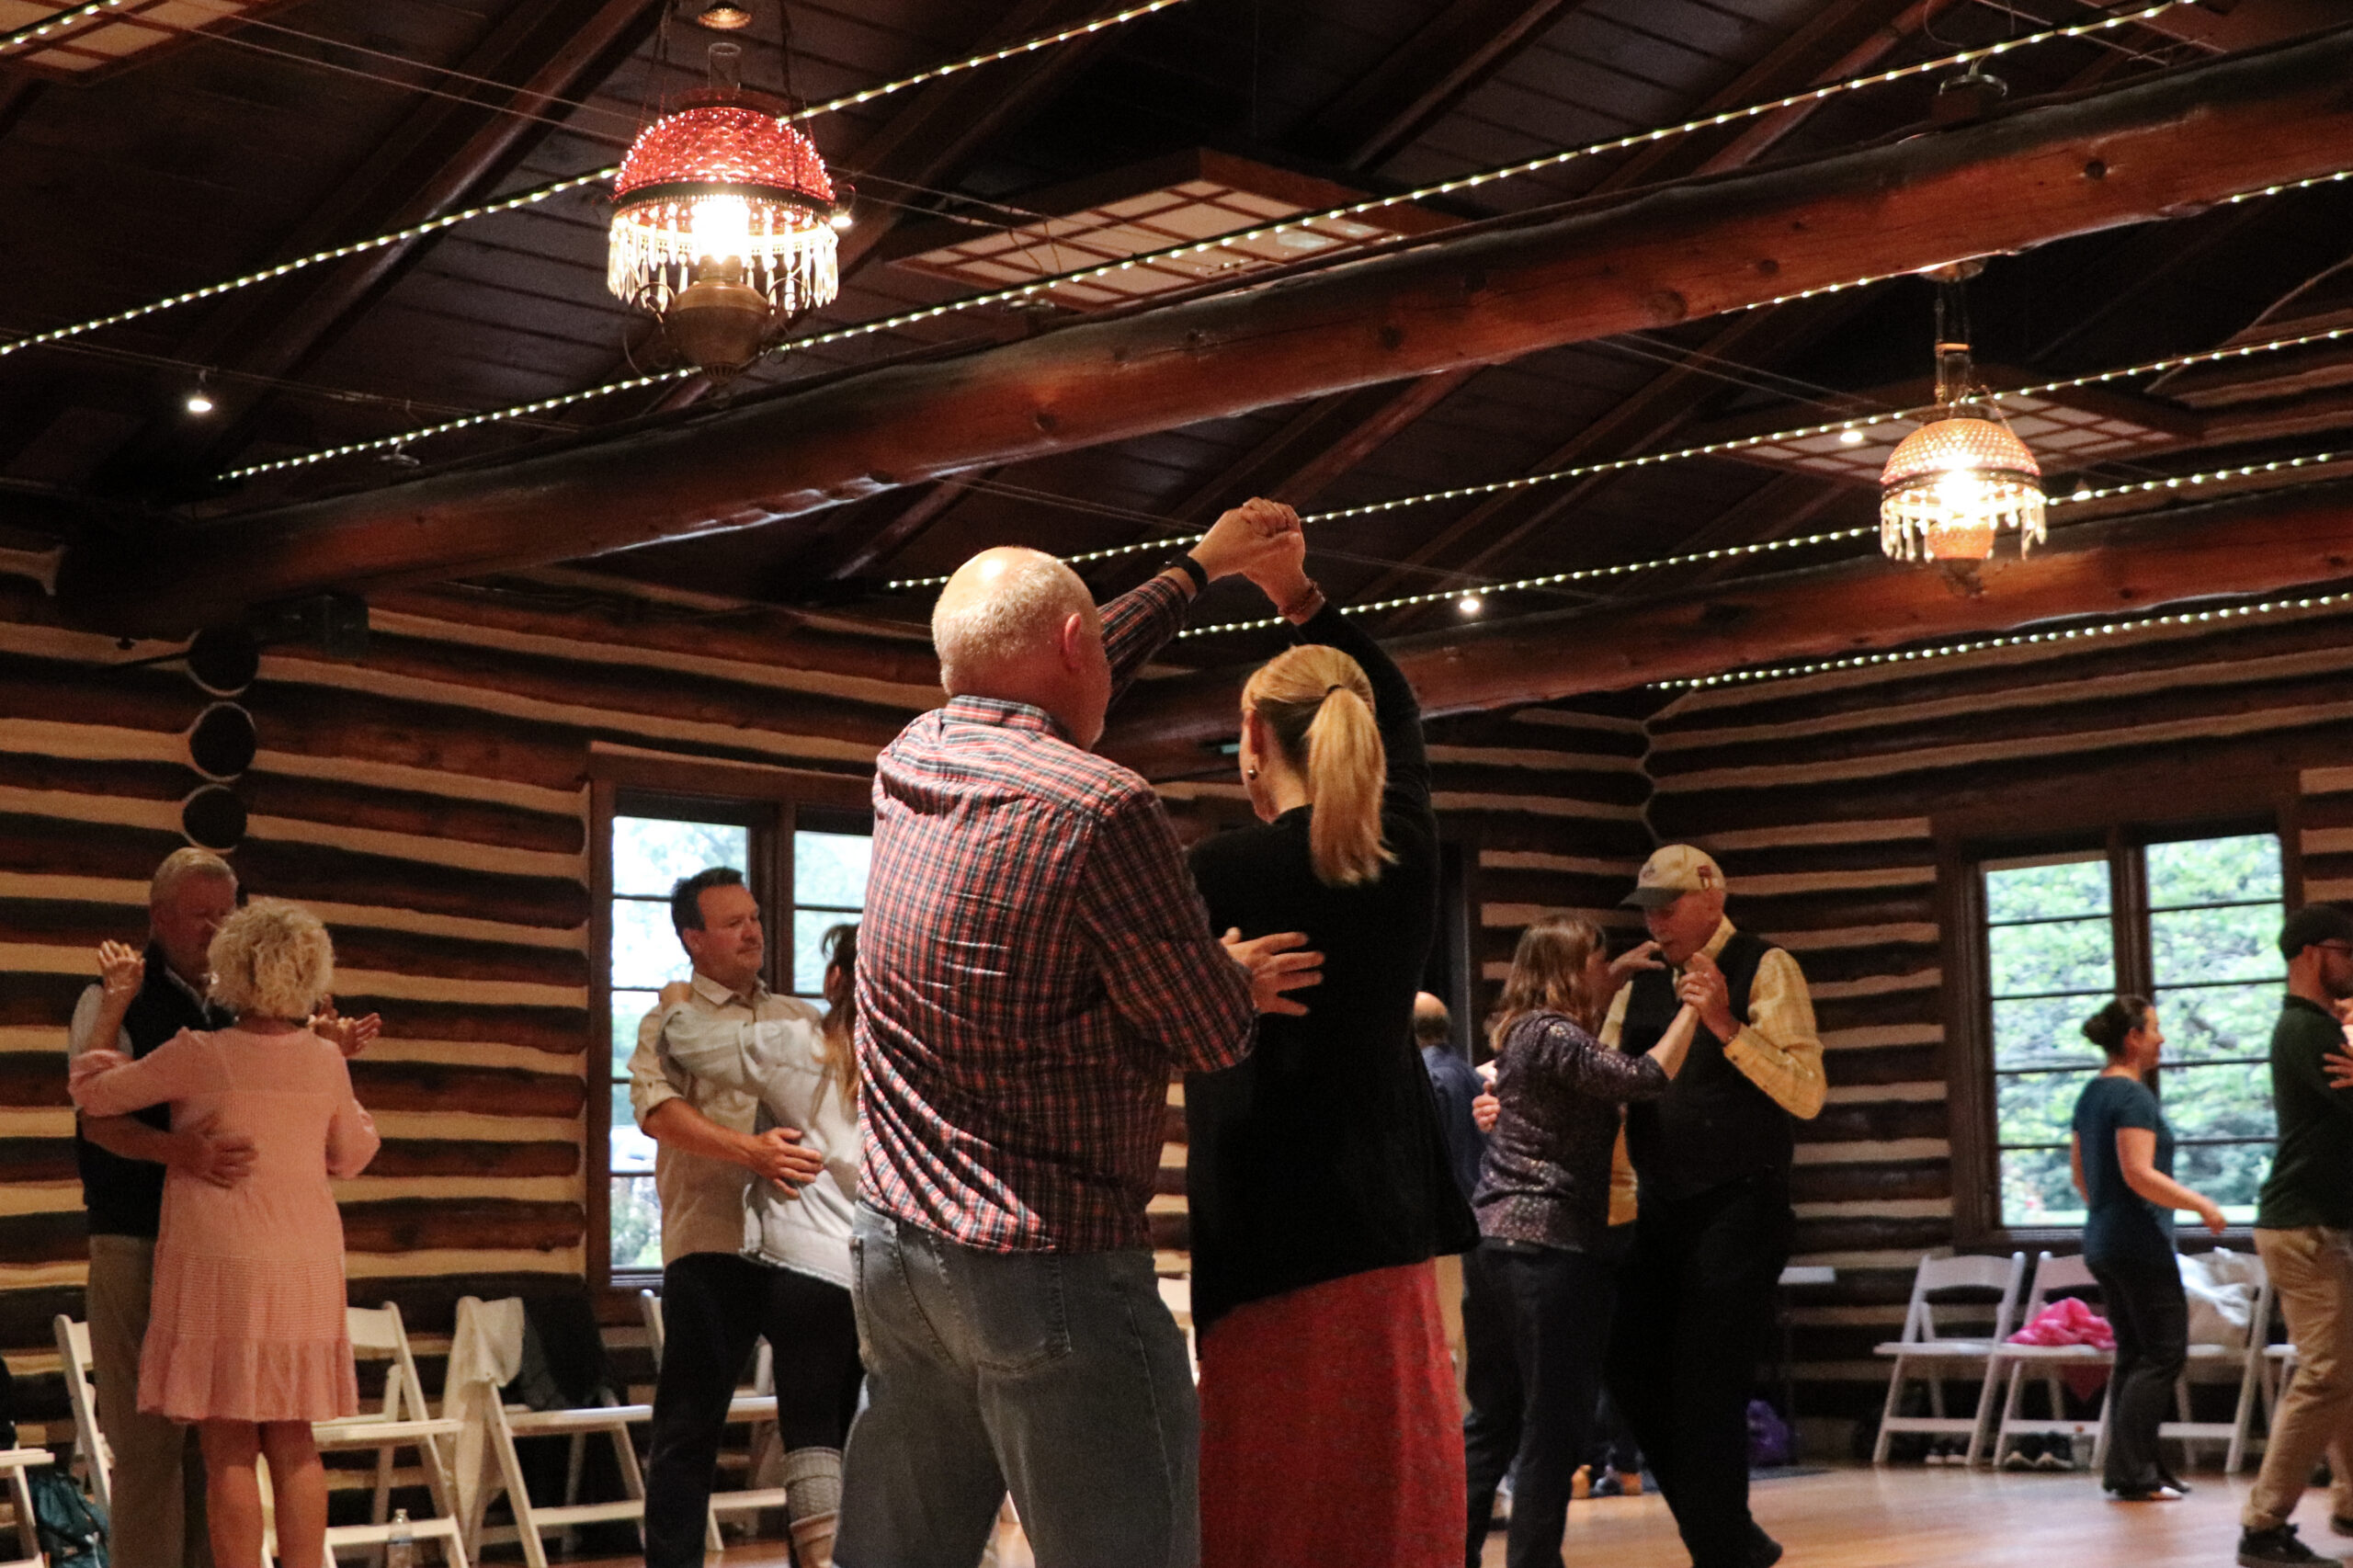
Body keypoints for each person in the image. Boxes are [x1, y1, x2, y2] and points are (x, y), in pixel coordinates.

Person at [836, 499, 1323, 1568]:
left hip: (895, 1253)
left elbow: (1039, 670)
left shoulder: (908, 756)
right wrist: (1227, 976)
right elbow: (1203, 1031)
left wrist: (1198, 569)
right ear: (1072, 645)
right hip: (1044, 1260)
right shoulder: (1104, 808)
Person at [1182, 533, 1480, 1568]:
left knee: (1274, 1494)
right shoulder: (1401, 855)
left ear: (1255, 735)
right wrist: (1298, 592)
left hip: (1264, 1216)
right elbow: (1396, 700)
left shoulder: (1216, 867)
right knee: (1390, 1473)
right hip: (1387, 1208)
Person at [68, 900, 380, 1568]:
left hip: (222, 1258)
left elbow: (93, 1093)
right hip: (304, 1260)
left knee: (230, 1441)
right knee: (294, 1438)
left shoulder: (202, 1053)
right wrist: (334, 1073)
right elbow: (353, 1155)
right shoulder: (325, 1060)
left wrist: (116, 1004)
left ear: (229, 969)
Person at [1603, 845, 1824, 1568]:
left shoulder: (1766, 966)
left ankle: (1721, 1546)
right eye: (1648, 909)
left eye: (1668, 907)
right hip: (1660, 1208)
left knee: (1706, 1380)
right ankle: (1727, 1539)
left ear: (1712, 900)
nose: (1657, 922)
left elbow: (1806, 1093)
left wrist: (1728, 1026)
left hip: (1742, 1204)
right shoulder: (1635, 984)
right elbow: (1605, 1088)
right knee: (1629, 1368)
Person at [1461, 915, 1695, 1568]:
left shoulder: (1521, 1031)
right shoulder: (1554, 1033)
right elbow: (1643, 1077)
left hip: (1494, 1245)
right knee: (1552, 1426)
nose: (1607, 965)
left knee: (1494, 1421)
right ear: (1572, 969)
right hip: (1549, 1248)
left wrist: (1617, 976)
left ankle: (1449, 1555)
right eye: (1599, 957)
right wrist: (1694, 1012)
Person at [630, 866, 833, 1568]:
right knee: (690, 1424)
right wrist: (748, 1151)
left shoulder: (799, 1020)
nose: (753, 932)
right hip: (711, 1241)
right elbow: (657, 1114)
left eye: (755, 918)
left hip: (804, 1251)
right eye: (733, 922)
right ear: (693, 938)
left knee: (817, 1426)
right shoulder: (669, 1020)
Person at [2069, 995, 2226, 1503]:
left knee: (2136, 1355)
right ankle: (2133, 1472)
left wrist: (2108, 1215)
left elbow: (2081, 1177)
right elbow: (2139, 1173)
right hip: (2138, 1242)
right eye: (2155, 1028)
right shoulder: (2133, 1097)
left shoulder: (2090, 1095)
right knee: (2162, 1354)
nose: (2161, 1038)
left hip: (2103, 1238)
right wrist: (2200, 1203)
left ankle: (2140, 1468)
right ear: (2133, 1038)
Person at [2236, 904, 2353, 1568]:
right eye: (2349, 953)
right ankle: (2262, 1527)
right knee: (2327, 1373)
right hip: (2302, 1226)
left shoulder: (2319, 1027)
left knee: (2346, 1369)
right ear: (2314, 953)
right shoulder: (2308, 1030)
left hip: (2314, 1223)